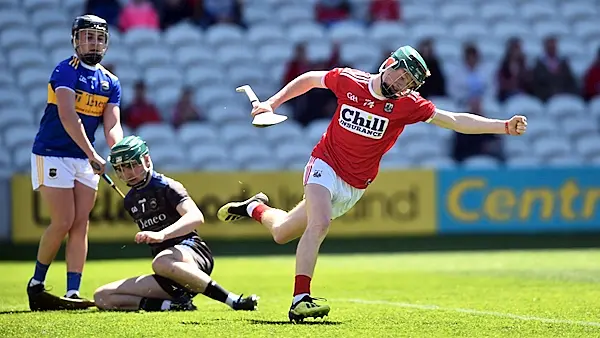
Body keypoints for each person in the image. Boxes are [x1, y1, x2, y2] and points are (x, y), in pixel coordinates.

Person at [217, 45, 528, 322]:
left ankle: (254, 207)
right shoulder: (351, 80)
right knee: (320, 224)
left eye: (408, 82)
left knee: (283, 232)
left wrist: (502, 126)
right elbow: (311, 78)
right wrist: (272, 102)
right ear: (388, 64)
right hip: (324, 162)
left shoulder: (409, 105)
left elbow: (455, 120)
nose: (400, 84)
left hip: (354, 185)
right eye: (400, 75)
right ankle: (300, 300)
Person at [93, 136, 258, 312]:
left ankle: (234, 301)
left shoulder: (167, 186)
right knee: (102, 296)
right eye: (120, 168)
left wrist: (162, 234)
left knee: (160, 262)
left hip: (192, 253)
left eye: (132, 165)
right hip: (168, 276)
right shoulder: (130, 201)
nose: (127, 173)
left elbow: (195, 216)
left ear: (147, 160)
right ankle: (174, 305)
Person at [27, 14, 124, 311]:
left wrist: (119, 150)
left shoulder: (110, 82)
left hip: (84, 159)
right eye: (87, 36)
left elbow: (112, 125)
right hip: (52, 152)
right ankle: (37, 285)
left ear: (105, 43)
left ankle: (71, 292)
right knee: (64, 220)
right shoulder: (65, 71)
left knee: (81, 223)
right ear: (76, 39)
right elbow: (69, 117)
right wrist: (93, 154)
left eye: (98, 37)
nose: (93, 42)